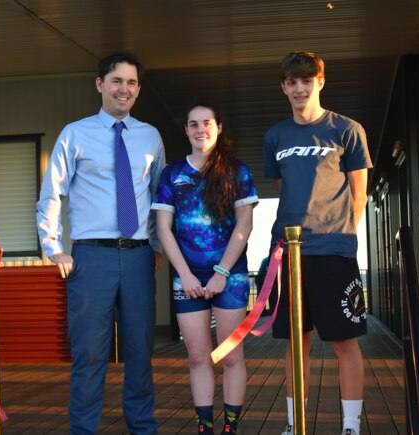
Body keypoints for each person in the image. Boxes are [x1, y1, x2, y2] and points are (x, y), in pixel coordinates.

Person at [36, 51, 165, 434]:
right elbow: (51, 193)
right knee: (89, 353)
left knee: (140, 351)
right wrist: (53, 245)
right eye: (116, 81)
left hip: (140, 257)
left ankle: (142, 427)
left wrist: (157, 245)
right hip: (91, 258)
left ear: (138, 89)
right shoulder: (74, 134)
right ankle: (84, 429)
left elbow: (159, 197)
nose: (123, 89)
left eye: (131, 83)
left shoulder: (151, 136)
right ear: (100, 84)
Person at [262, 51, 372, 435]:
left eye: (306, 81)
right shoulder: (275, 135)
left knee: (345, 344)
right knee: (297, 344)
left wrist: (340, 235)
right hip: (289, 253)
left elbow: (359, 194)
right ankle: (296, 426)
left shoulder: (347, 129)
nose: (299, 88)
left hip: (334, 253)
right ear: (283, 86)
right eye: (291, 82)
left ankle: (351, 427)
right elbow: (283, 190)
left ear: (320, 82)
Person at [152, 103, 258, 434]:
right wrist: (184, 274)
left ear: (219, 127)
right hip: (188, 278)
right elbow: (164, 229)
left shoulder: (236, 171)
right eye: (193, 124)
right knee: (198, 358)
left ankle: (230, 427)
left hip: (231, 277)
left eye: (207, 123)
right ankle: (204, 427)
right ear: (186, 130)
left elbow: (245, 225)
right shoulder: (171, 174)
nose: (201, 129)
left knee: (230, 356)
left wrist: (221, 273)